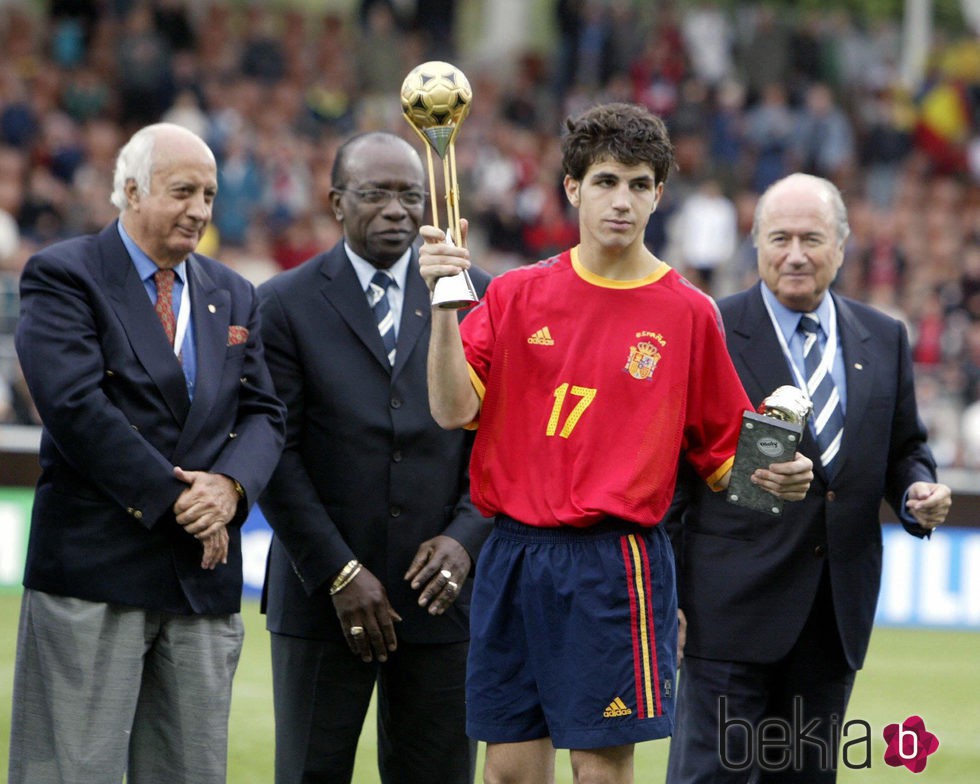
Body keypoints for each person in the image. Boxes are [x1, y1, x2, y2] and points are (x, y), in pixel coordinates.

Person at [417, 102, 814, 784]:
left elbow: (729, 462)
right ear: (573, 188)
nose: (621, 201)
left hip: (615, 563)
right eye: (605, 181)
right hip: (512, 553)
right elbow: (452, 410)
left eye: (637, 184)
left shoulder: (688, 312)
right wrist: (445, 305)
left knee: (599, 770)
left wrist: (779, 474)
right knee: (509, 771)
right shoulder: (514, 295)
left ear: (659, 194)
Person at [8, 122, 286, 783]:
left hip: (202, 583)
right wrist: (184, 502)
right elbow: (76, 409)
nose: (199, 209)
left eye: (210, 195)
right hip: (95, 576)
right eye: (182, 190)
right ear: (129, 191)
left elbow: (265, 414)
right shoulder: (63, 274)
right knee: (71, 771)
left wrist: (232, 490)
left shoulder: (233, 291)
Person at [665, 172, 952, 783]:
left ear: (842, 247)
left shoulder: (885, 336)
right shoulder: (710, 329)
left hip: (831, 616)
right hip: (728, 616)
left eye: (812, 238)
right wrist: (671, 597)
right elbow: (673, 474)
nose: (795, 254)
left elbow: (905, 447)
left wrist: (915, 490)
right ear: (756, 245)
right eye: (780, 238)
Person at [257, 130, 493, 784]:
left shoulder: (479, 296)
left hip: (442, 596)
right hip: (320, 601)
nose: (396, 209)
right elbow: (274, 453)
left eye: (410, 195)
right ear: (336, 202)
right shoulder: (284, 303)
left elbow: (499, 445)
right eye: (375, 193)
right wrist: (338, 571)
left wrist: (464, 540)